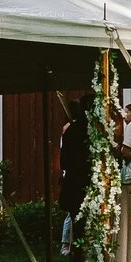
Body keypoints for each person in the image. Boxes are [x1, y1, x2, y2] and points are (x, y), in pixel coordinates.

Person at [55, 97, 89, 251]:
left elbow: (64, 162)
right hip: (85, 183)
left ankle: (76, 255)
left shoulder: (70, 131)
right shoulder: (93, 131)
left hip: (75, 184)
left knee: (77, 223)